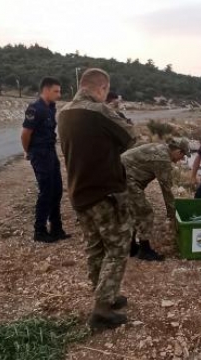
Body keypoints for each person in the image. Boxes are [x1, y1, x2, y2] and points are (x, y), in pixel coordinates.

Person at [58, 68, 138, 331]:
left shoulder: (64, 112)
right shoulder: (100, 111)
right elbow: (130, 137)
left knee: (95, 247)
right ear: (102, 88)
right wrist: (117, 110)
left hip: (79, 193)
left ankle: (105, 295)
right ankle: (102, 310)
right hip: (105, 193)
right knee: (117, 249)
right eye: (106, 92)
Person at [121, 138, 189, 261]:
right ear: (178, 151)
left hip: (120, 175)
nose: (182, 159)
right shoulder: (162, 159)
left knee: (134, 211)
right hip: (125, 180)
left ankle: (131, 247)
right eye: (183, 155)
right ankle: (144, 250)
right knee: (145, 213)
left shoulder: (161, 148)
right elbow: (166, 191)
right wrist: (172, 216)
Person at [20, 77, 70, 243]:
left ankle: (56, 228)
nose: (59, 94)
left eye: (59, 91)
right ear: (46, 90)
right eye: (56, 91)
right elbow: (25, 134)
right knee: (46, 191)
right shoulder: (36, 109)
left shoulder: (51, 108)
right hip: (40, 153)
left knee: (57, 190)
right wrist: (28, 151)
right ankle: (39, 231)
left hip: (50, 151)